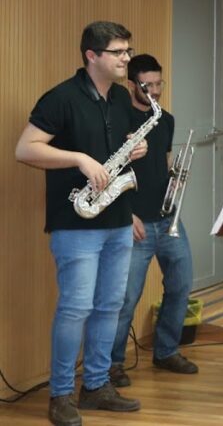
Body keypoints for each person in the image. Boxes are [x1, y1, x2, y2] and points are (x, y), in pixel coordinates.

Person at [15, 21, 146, 426]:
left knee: (110, 305)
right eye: (118, 52)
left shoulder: (121, 97)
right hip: (76, 224)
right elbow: (25, 149)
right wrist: (78, 158)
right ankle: (60, 395)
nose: (126, 58)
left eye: (127, 51)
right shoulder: (61, 98)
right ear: (92, 56)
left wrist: (135, 148)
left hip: (118, 219)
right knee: (75, 308)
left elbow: (116, 149)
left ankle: (96, 385)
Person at [109, 54, 198, 388]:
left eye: (159, 84)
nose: (156, 91)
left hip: (166, 218)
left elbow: (164, 161)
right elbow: (108, 171)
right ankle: (112, 364)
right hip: (134, 223)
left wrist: (175, 178)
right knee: (126, 298)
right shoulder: (118, 119)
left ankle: (166, 351)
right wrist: (125, 214)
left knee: (181, 285)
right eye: (148, 85)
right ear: (132, 84)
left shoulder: (166, 119)